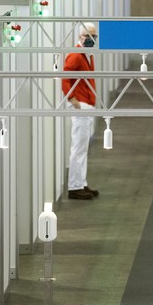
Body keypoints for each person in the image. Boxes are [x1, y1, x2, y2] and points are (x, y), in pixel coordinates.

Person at [62, 22, 99, 200]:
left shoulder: (86, 55)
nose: (92, 40)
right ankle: (75, 186)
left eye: (94, 36)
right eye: (89, 36)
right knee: (78, 147)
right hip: (81, 104)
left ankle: (81, 183)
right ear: (80, 36)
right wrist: (71, 98)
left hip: (86, 103)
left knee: (82, 147)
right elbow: (65, 76)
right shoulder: (76, 55)